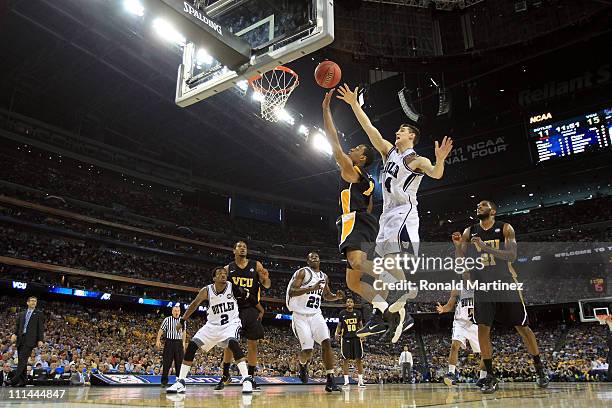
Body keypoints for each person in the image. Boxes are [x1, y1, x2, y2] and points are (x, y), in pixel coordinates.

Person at [336, 84, 453, 342]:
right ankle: (385, 312)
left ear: (411, 136)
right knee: (379, 270)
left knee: (389, 263)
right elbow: (370, 129)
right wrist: (354, 104)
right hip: (385, 216)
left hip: (404, 214)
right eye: (398, 130)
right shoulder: (388, 152)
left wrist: (440, 159)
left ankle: (402, 297)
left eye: (402, 130)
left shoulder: (415, 160)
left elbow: (436, 173)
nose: (397, 132)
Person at [453, 200, 549, 394]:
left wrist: (484, 247)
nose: (479, 207)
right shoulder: (468, 232)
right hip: (482, 286)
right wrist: (457, 246)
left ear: (493, 211)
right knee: (483, 330)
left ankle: (539, 369)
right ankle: (489, 376)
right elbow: (460, 260)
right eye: (478, 206)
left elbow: (512, 255)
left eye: (483, 205)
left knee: (522, 327)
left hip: (505, 283)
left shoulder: (505, 228)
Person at [322, 90, 386, 339]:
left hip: (354, 220)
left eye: (358, 148)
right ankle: (382, 308)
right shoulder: (366, 181)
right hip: (363, 221)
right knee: (353, 283)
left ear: (362, 159)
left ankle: (394, 281)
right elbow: (369, 205)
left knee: (358, 264)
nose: (353, 148)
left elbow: (334, 143)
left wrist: (326, 111)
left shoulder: (352, 171)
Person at [166, 267, 255, 394]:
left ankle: (246, 380)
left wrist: (247, 296)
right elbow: (194, 304)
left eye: (225, 274)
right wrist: (182, 320)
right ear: (214, 278)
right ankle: (181, 382)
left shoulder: (232, 287)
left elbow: (246, 295)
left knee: (233, 343)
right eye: (220, 274)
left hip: (231, 324)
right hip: (212, 326)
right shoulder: (206, 290)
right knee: (192, 346)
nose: (223, 275)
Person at [286, 252, 345, 392]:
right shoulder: (303, 272)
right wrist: (311, 288)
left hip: (316, 314)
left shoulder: (324, 277)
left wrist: (336, 297)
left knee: (326, 342)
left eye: (316, 257)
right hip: (300, 315)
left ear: (319, 260)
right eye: (311, 257)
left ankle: (330, 379)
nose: (314, 258)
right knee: (308, 350)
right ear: (307, 261)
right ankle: (302, 364)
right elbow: (292, 291)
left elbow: (326, 295)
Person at [216, 241, 270, 392]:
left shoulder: (256, 265)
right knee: (229, 344)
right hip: (234, 310)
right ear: (234, 250)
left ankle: (250, 378)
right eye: (239, 247)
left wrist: (265, 278)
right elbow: (221, 289)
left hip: (252, 308)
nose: (243, 249)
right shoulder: (228, 268)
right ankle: (226, 375)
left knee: (253, 344)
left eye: (245, 247)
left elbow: (267, 285)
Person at [436, 281, 486, 387]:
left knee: (485, 352)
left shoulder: (482, 287)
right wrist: (443, 309)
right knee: (454, 346)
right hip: (460, 322)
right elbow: (449, 305)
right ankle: (451, 373)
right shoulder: (457, 289)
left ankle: (482, 377)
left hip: (476, 323)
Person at [10, 296, 44, 387]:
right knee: (22, 360)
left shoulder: (39, 314)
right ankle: (22, 381)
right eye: (32, 301)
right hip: (21, 338)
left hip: (30, 340)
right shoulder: (22, 314)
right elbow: (18, 326)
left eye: (35, 301)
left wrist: (40, 339)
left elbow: (40, 328)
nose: (33, 302)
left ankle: (14, 380)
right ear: (27, 302)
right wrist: (14, 334)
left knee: (22, 359)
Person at [335, 297, 365, 388]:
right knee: (345, 360)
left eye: (351, 301)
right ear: (345, 304)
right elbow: (339, 325)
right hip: (345, 338)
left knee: (359, 359)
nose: (349, 303)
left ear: (353, 304)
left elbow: (360, 325)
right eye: (348, 301)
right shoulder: (342, 313)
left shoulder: (358, 313)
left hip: (356, 338)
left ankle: (360, 381)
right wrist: (337, 333)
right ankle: (346, 381)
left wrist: (363, 334)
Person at [156, 305, 187, 387]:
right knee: (166, 362)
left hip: (178, 342)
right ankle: (164, 382)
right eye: (175, 311)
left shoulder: (182, 320)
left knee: (179, 363)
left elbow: (184, 332)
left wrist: (184, 342)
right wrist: (158, 340)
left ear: (180, 312)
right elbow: (161, 330)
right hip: (169, 342)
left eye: (178, 311)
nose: (177, 312)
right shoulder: (167, 319)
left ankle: (179, 382)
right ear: (172, 311)